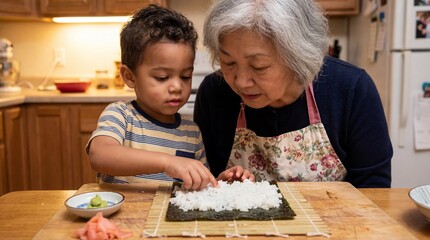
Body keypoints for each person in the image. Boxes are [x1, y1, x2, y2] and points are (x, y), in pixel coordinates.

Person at [194, 0, 393, 188]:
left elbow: (373, 191)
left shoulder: (351, 89)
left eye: (259, 66)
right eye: (229, 63)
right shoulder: (214, 94)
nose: (241, 81)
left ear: (297, 58)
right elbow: (204, 180)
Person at [86, 4, 253, 190]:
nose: (176, 87)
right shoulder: (121, 116)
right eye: (162, 77)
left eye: (185, 76)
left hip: (165, 219)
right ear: (129, 76)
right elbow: (100, 155)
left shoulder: (191, 133)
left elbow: (200, 183)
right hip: (124, 217)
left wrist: (222, 182)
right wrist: (167, 162)